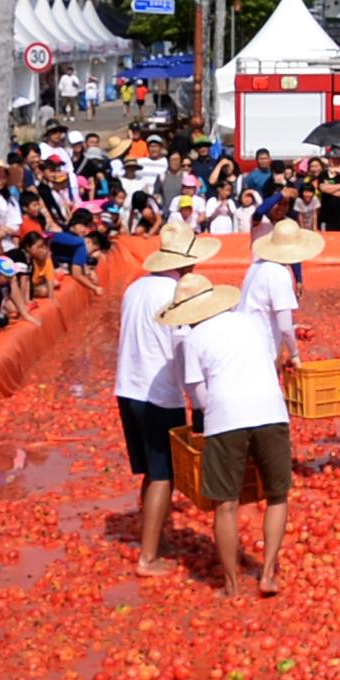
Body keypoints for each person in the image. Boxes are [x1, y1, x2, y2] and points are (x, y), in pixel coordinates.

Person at [164, 273, 293, 598]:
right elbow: (266, 363)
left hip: (226, 418)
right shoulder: (251, 323)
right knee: (277, 496)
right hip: (271, 412)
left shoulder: (194, 339)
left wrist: (217, 417)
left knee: (226, 504)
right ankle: (266, 575)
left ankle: (231, 585)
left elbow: (199, 396)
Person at [115, 225, 207, 575]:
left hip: (128, 387)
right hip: (158, 395)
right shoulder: (175, 293)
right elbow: (183, 351)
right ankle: (148, 557)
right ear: (187, 264)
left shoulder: (134, 288)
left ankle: (154, 537)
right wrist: (198, 403)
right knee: (163, 473)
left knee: (152, 473)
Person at [245, 218, 323, 368]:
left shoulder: (256, 267)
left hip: (246, 342)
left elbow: (259, 311)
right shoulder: (278, 273)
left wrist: (294, 329)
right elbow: (284, 326)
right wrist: (294, 354)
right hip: (261, 349)